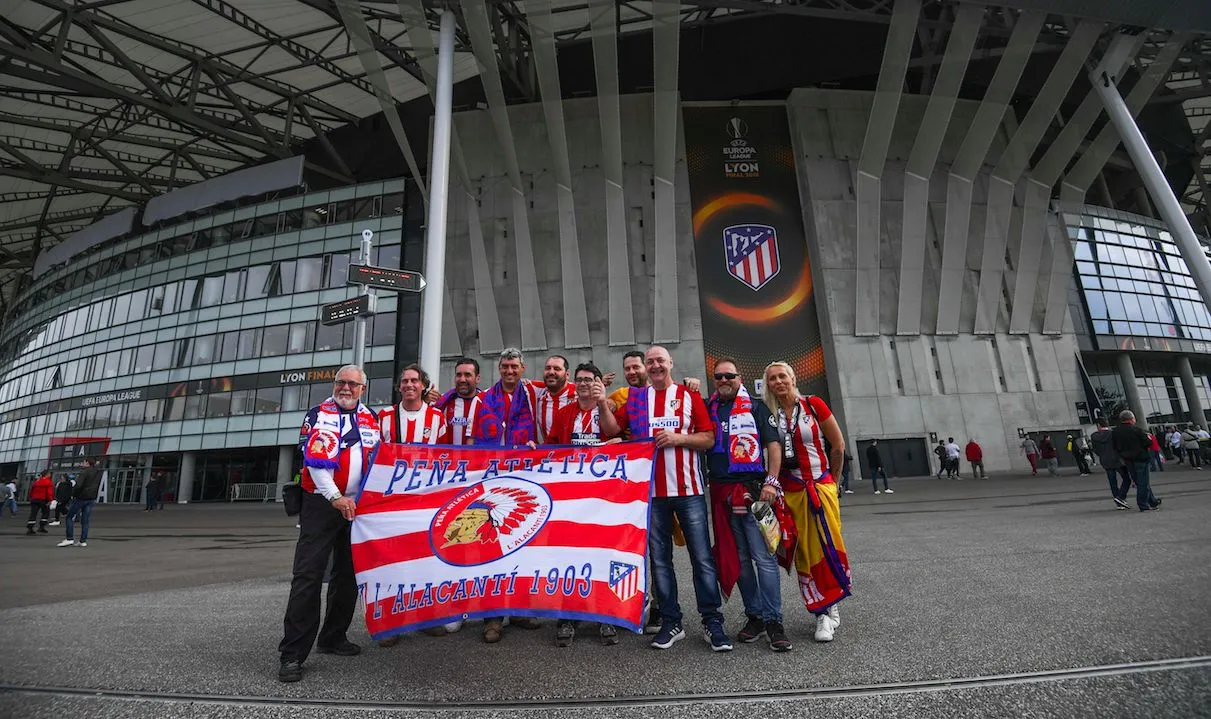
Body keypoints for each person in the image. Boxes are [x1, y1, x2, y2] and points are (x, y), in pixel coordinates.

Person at [603, 346, 731, 652]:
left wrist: (679, 439)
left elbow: (709, 438)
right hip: (651, 495)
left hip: (689, 491)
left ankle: (712, 621)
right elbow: (612, 429)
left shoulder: (689, 396)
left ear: (670, 363)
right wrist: (600, 402)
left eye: (660, 360)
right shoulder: (636, 400)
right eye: (650, 362)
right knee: (660, 561)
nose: (655, 365)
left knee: (702, 559)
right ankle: (672, 621)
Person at [277, 364, 381, 683]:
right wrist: (335, 496)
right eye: (341, 382)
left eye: (352, 384)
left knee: (348, 575)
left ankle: (333, 637)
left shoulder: (371, 418)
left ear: (363, 389)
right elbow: (316, 463)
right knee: (308, 576)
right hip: (321, 503)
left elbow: (377, 460)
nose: (345, 388)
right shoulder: (318, 414)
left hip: (356, 507)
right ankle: (293, 654)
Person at [703, 359, 790, 652]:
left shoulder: (756, 407)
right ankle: (755, 616)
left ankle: (774, 620)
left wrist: (772, 482)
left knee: (764, 558)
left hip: (754, 493)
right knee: (738, 559)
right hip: (722, 494)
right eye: (718, 376)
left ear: (739, 377)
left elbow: (773, 445)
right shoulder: (709, 408)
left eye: (729, 375)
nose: (724, 380)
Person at [762, 361, 850, 643]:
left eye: (782, 376)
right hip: (790, 494)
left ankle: (829, 607)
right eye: (772, 378)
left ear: (793, 378)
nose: (778, 382)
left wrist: (833, 483)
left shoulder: (813, 405)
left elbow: (838, 445)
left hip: (819, 487)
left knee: (827, 545)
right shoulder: (768, 413)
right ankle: (821, 610)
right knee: (804, 552)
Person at [545, 362, 623, 648]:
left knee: (603, 554)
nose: (583, 384)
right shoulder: (565, 413)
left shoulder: (609, 409)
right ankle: (568, 616)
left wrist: (602, 403)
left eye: (589, 379)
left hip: (604, 497)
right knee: (570, 556)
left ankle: (606, 615)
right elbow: (552, 447)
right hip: (572, 497)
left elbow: (616, 433)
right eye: (579, 380)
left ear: (600, 383)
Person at [377, 363, 455, 645]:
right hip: (392, 501)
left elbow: (447, 458)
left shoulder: (437, 418)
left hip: (425, 501)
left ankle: (425, 617)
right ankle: (389, 623)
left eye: (414, 380)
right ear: (399, 386)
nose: (409, 385)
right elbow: (375, 456)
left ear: (424, 386)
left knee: (425, 558)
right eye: (405, 381)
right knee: (391, 560)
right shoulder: (384, 417)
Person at [473, 350, 545, 641]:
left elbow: (563, 387)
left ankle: (518, 609)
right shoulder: (483, 399)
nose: (509, 371)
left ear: (523, 368)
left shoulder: (532, 394)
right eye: (505, 366)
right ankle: (492, 617)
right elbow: (472, 438)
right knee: (492, 543)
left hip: (524, 476)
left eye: (514, 366)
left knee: (521, 540)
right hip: (492, 478)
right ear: (499, 368)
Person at [1111, 411, 1162, 513]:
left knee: (1139, 482)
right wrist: (1148, 438)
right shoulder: (1137, 430)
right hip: (1140, 458)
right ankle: (1143, 505)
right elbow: (1147, 442)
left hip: (1128, 460)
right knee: (1143, 482)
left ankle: (1152, 501)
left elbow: (1115, 446)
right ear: (1131, 419)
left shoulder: (1115, 432)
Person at [433, 357, 487, 445]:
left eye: (467, 375)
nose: (462, 379)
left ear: (477, 378)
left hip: (477, 453)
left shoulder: (487, 403)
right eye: (458, 375)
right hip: (448, 454)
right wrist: (424, 398)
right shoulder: (442, 402)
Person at [57, 459, 101, 548]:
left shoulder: (84, 472)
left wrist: (74, 494)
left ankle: (69, 538)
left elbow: (78, 485)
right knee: (85, 520)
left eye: (83, 462)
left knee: (69, 517)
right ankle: (83, 541)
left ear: (87, 463)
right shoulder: (97, 472)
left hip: (81, 497)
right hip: (91, 498)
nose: (82, 463)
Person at [1090, 419, 1131, 510]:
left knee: (1112, 482)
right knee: (1126, 479)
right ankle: (1121, 497)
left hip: (1105, 460)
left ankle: (1118, 502)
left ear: (1099, 425)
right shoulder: (1113, 433)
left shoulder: (1094, 436)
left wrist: (1102, 454)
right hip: (1117, 459)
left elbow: (1095, 449)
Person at [536, 355, 576, 442]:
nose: (551, 372)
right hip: (550, 449)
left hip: (577, 450)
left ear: (567, 374)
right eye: (548, 368)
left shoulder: (579, 393)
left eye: (557, 369)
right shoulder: (538, 393)